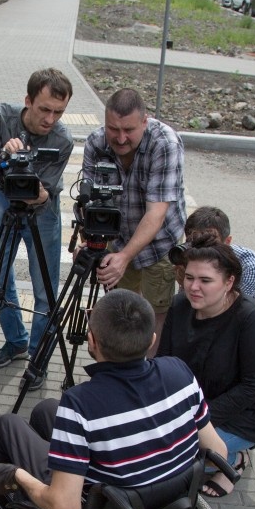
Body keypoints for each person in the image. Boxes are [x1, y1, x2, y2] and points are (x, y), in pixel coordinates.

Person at [0, 289, 227, 509]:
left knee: (7, 425)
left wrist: (17, 475)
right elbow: (218, 452)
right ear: (152, 340)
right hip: (168, 507)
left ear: (91, 341)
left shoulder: (81, 403)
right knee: (46, 410)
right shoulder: (179, 372)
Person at [158, 237, 255, 496]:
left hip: (246, 412)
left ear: (229, 282)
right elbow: (165, 361)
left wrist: (197, 419)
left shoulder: (251, 319)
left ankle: (233, 459)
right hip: (198, 401)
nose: (193, 287)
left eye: (205, 280)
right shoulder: (180, 304)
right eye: (189, 277)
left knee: (172, 463)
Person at [0, 68, 75, 389]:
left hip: (44, 212)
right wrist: (6, 158)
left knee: (45, 289)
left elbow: (42, 194)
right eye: (44, 109)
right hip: (4, 201)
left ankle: (38, 357)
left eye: (58, 112)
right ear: (28, 100)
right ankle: (16, 340)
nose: (50, 119)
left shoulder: (63, 139)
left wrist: (37, 188)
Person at [81, 88, 186, 356]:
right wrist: (88, 241)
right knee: (120, 316)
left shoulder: (165, 144)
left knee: (153, 318)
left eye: (128, 129)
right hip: (118, 238)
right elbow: (88, 202)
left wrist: (125, 256)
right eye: (113, 129)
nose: (120, 137)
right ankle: (117, 372)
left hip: (160, 244)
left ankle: (148, 375)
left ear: (144, 121)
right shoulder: (95, 143)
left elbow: (156, 213)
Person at [176, 206, 255, 310]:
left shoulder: (250, 265)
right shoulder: (192, 256)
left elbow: (231, 308)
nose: (202, 249)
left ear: (227, 241)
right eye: (195, 242)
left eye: (210, 242)